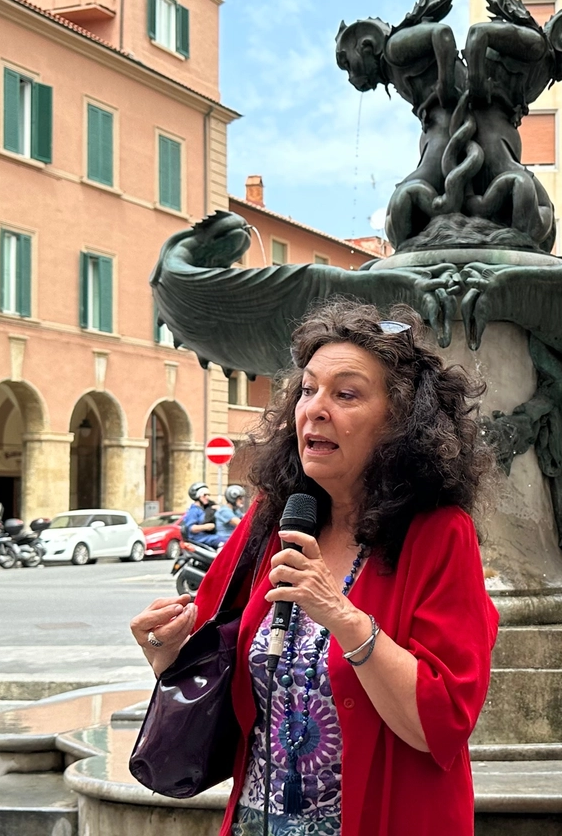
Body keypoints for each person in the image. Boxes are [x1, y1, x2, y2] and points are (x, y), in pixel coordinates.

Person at [130, 301, 499, 836]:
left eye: (345, 394)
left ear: (401, 420)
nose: (314, 410)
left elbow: (441, 722)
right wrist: (165, 654)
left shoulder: (439, 533)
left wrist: (342, 617)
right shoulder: (271, 520)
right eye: (307, 390)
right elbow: (221, 682)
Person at [180, 483, 228, 548]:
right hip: (200, 539)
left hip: (207, 537)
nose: (207, 497)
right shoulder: (194, 510)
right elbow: (192, 528)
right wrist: (207, 526)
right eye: (204, 495)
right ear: (197, 496)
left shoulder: (202, 509)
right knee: (225, 543)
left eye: (208, 495)